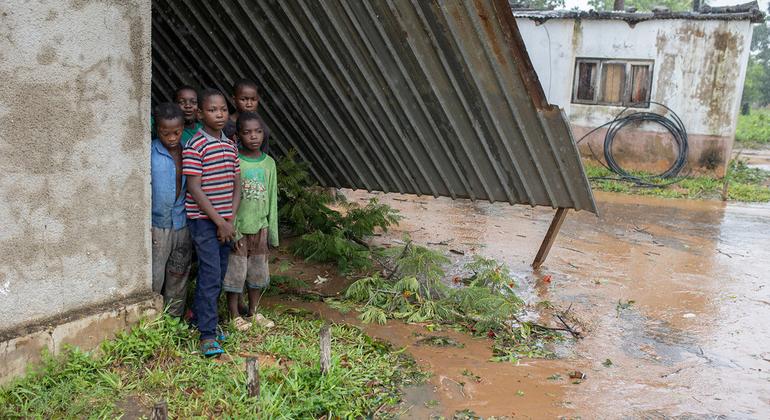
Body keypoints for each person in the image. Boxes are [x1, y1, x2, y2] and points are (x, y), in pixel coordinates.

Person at [183, 88, 241, 357]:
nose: (219, 114)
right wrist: (219, 222)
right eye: (212, 110)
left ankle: (202, 318)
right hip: (204, 223)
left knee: (217, 273)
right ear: (199, 114)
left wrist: (230, 219)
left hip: (224, 223)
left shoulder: (230, 145)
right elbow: (194, 188)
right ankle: (207, 335)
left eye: (223, 110)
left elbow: (236, 186)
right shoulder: (195, 145)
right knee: (209, 275)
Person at [223, 112, 278, 331]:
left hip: (260, 227)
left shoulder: (269, 164)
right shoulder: (234, 160)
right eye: (247, 132)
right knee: (236, 272)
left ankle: (254, 311)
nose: (253, 136)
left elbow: (272, 198)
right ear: (237, 136)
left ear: (264, 134)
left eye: (258, 132)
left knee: (257, 272)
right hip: (239, 228)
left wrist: (272, 233)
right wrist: (232, 230)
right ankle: (234, 314)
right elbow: (227, 196)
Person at [151, 103, 192, 317]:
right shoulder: (150, 153)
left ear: (183, 128)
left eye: (176, 132)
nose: (172, 138)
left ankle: (173, 317)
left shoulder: (189, 151)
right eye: (165, 133)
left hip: (182, 222)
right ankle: (151, 318)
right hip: (158, 224)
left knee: (179, 271)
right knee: (155, 275)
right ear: (157, 130)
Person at [223, 79, 269, 154]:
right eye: (244, 99)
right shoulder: (225, 125)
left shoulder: (262, 127)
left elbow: (263, 154)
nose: (249, 104)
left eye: (253, 99)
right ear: (234, 99)